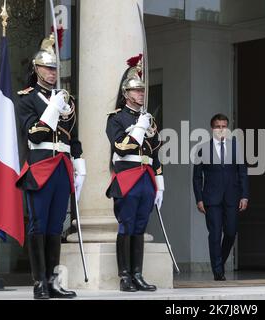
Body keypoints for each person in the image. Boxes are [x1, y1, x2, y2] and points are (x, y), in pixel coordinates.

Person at [16, 34, 86, 299]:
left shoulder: (65, 99)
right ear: (36, 70)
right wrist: (52, 110)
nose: (52, 72)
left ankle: (54, 280)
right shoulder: (27, 99)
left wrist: (80, 166)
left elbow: (73, 137)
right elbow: (34, 134)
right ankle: (39, 282)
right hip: (40, 165)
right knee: (39, 224)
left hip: (62, 166)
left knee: (57, 225)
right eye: (47, 68)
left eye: (55, 68)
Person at [106, 55, 164, 292]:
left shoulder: (148, 119)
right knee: (126, 225)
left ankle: (138, 274)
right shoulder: (116, 118)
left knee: (140, 227)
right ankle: (125, 276)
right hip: (127, 176)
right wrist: (139, 128)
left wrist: (159, 180)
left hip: (145, 177)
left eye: (142, 90)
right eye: (136, 91)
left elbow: (155, 152)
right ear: (126, 93)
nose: (141, 94)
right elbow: (120, 146)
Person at [193, 114, 249, 281]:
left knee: (231, 232)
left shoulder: (236, 147)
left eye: (224, 126)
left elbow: (243, 173)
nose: (221, 129)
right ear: (212, 128)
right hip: (211, 199)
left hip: (232, 197)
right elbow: (197, 177)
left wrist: (245, 195)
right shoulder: (203, 149)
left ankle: (220, 262)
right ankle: (218, 271)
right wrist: (199, 198)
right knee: (215, 234)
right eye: (218, 126)